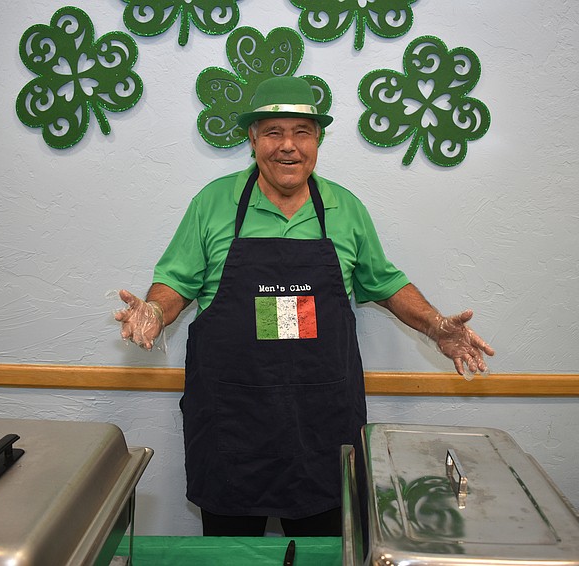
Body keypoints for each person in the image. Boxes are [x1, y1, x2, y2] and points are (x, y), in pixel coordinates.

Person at [115, 76, 494, 537]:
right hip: (233, 425)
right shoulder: (213, 203)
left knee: (326, 546)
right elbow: (174, 281)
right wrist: (153, 311)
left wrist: (435, 326)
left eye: (302, 132)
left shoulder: (345, 208)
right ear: (252, 138)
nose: (288, 146)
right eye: (273, 132)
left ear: (317, 140)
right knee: (234, 551)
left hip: (322, 424)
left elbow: (386, 282)